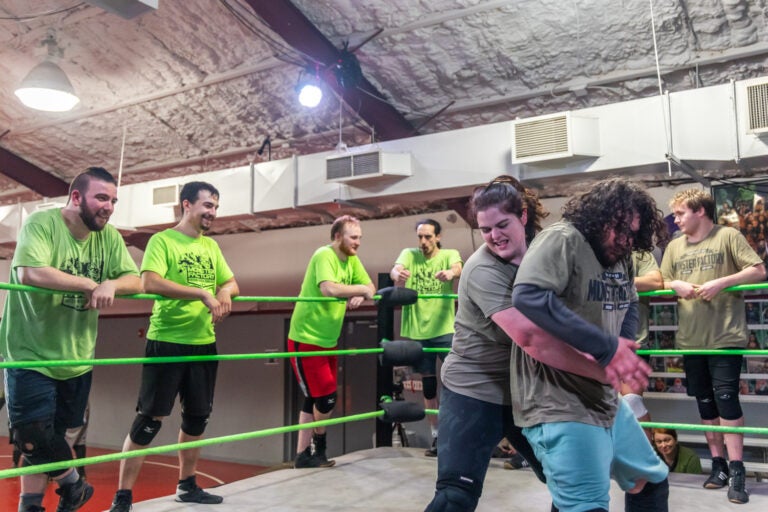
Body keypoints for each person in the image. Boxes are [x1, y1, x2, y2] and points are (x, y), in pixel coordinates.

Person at [425, 176, 628, 511]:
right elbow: (534, 338)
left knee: (571, 483)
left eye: (501, 224)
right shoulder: (481, 269)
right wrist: (602, 372)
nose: (494, 236)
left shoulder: (549, 250)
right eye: (485, 229)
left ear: (522, 216)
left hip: (535, 389)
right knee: (455, 496)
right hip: (477, 388)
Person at [507, 177, 671, 512]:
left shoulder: (620, 254)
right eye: (619, 228)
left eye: (632, 233)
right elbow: (528, 296)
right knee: (585, 504)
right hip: (556, 398)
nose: (625, 239)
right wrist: (607, 348)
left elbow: (629, 300)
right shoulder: (562, 238)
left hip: (603, 396)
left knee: (650, 478)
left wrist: (624, 348)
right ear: (598, 216)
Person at [0, 167, 141, 512]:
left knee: (54, 440)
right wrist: (89, 284)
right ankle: (73, 486)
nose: (109, 206)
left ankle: (34, 504)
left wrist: (111, 284)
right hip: (30, 351)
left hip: (76, 357)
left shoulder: (108, 237)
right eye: (101, 198)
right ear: (76, 197)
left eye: (113, 200)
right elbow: (30, 272)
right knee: (31, 436)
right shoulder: (42, 224)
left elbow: (134, 280)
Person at [109, 181, 239, 512]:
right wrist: (201, 293)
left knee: (197, 418)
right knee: (149, 421)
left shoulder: (211, 247)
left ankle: (187, 485)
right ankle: (123, 496)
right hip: (167, 341)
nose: (212, 212)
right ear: (187, 205)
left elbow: (231, 282)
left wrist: (224, 292)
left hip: (203, 344)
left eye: (215, 207)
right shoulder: (162, 240)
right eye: (207, 205)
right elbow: (150, 281)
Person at [660, 188, 766, 505]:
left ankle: (737, 470)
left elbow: (759, 270)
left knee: (727, 403)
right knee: (706, 406)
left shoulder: (728, 237)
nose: (676, 219)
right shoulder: (674, 246)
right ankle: (717, 465)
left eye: (680, 213)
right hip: (691, 339)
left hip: (724, 336)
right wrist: (673, 284)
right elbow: (660, 280)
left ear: (700, 211)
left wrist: (722, 282)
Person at [288, 215, 375, 468]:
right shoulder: (323, 255)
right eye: (353, 237)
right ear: (338, 236)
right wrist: (360, 291)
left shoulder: (352, 259)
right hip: (306, 337)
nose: (358, 243)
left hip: (329, 338)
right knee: (326, 398)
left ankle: (303, 455)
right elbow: (330, 289)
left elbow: (368, 284)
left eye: (360, 238)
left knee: (313, 399)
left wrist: (362, 291)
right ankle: (319, 448)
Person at [390, 219, 463, 456]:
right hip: (417, 331)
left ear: (438, 237)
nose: (423, 241)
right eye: (420, 237)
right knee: (429, 388)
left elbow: (458, 268)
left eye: (428, 237)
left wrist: (450, 272)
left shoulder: (449, 254)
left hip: (443, 329)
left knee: (457, 380)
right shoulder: (409, 254)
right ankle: (436, 438)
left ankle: (461, 436)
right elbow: (395, 271)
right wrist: (398, 274)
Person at [622, 250, 663, 441]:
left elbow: (655, 282)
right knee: (604, 407)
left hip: (633, 342)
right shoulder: (591, 249)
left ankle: (647, 463)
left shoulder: (639, 254)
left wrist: (614, 281)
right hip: (598, 341)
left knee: (632, 403)